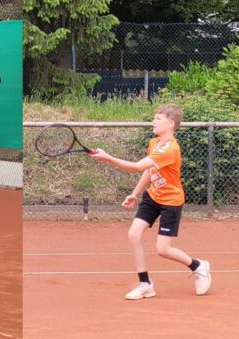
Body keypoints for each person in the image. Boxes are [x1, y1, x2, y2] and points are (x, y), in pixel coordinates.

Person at [90, 104, 211, 300]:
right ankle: (145, 284)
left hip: (171, 200)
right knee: (134, 234)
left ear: (171, 123)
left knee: (163, 250)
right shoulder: (155, 143)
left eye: (158, 119)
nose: (153, 122)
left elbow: (136, 167)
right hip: (153, 196)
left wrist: (107, 158)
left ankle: (198, 266)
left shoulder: (170, 149)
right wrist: (135, 193)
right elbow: (149, 170)